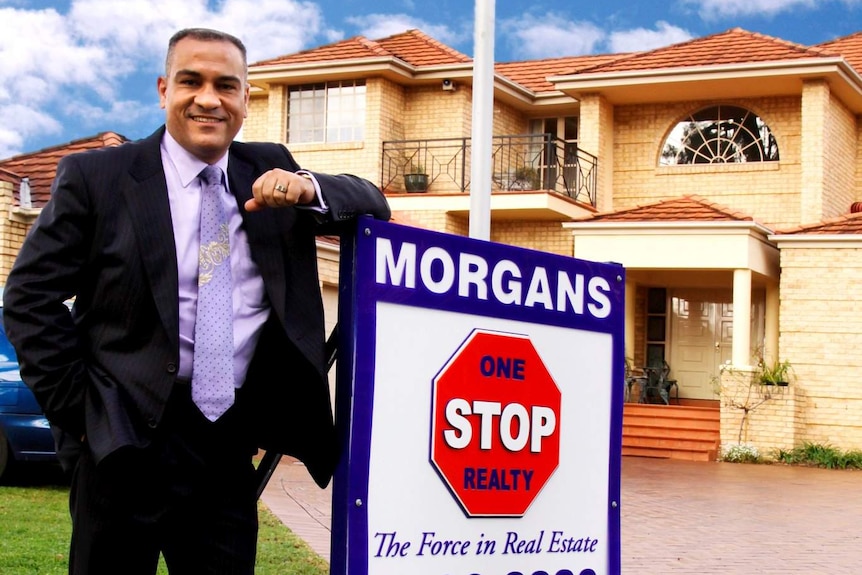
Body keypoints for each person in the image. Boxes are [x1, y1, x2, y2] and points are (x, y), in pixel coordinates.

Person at [2, 27, 390, 575]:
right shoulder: (99, 177)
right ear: (164, 89)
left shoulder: (269, 168)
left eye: (226, 86)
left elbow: (372, 201)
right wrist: (84, 415)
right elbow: (27, 299)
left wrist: (309, 187)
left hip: (225, 446)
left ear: (245, 100)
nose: (208, 98)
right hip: (120, 440)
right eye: (192, 81)